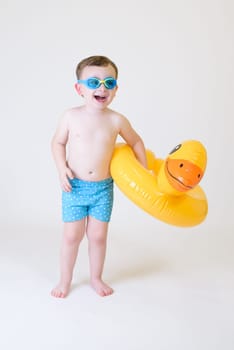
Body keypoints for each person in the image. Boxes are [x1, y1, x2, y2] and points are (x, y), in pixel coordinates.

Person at [51, 55, 147, 298]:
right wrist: (62, 168)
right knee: (72, 235)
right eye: (93, 82)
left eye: (109, 83)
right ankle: (65, 280)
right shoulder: (70, 116)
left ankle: (96, 277)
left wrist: (143, 171)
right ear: (79, 88)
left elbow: (136, 141)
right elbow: (58, 143)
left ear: (116, 89)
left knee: (97, 235)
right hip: (74, 186)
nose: (102, 88)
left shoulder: (116, 120)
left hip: (103, 188)